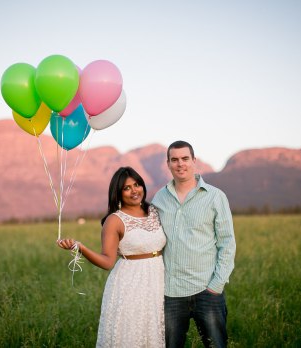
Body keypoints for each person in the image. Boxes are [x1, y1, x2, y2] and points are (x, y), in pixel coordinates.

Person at [57, 166, 167, 347]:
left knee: (153, 336)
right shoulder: (114, 220)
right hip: (130, 285)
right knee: (130, 336)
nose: (134, 191)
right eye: (127, 188)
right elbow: (107, 261)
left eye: (137, 184)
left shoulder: (155, 212)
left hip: (157, 282)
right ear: (118, 192)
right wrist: (80, 247)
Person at [152, 140, 236, 348]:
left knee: (216, 345)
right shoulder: (159, 199)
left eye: (185, 158)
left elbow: (227, 242)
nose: (180, 164)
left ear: (194, 161)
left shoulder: (216, 197)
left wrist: (216, 286)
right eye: (174, 160)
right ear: (168, 163)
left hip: (206, 291)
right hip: (171, 293)